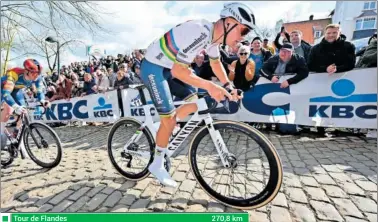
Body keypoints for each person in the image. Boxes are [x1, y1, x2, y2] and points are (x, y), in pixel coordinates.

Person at [140, 2, 255, 187]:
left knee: (194, 101)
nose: (242, 39)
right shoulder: (200, 31)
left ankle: (164, 127)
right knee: (169, 118)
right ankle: (157, 163)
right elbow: (179, 72)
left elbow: (216, 64)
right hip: (153, 67)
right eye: (243, 32)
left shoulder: (213, 39)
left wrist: (228, 86)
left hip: (169, 68)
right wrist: (211, 86)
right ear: (229, 24)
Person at [1, 59, 50, 148]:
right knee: (7, 111)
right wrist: (15, 106)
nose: (36, 76)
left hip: (17, 91)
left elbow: (39, 91)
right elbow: (6, 94)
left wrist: (42, 100)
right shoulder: (14, 74)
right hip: (3, 90)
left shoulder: (37, 77)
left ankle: (17, 138)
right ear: (26, 71)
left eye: (37, 73)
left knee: (24, 113)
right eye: (34, 73)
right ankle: (1, 133)